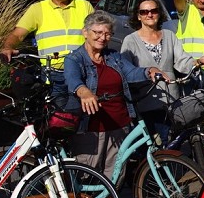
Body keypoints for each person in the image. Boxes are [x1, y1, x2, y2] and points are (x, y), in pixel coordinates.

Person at [63, 11, 163, 175]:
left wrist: (148, 71)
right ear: (85, 32)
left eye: (108, 33)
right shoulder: (74, 59)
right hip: (91, 127)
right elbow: (73, 81)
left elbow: (130, 73)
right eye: (98, 33)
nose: (103, 38)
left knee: (115, 174)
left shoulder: (113, 56)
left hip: (119, 123)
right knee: (90, 173)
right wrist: (83, 91)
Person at [0, 0, 93, 105]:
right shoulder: (38, 9)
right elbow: (17, 34)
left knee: (84, 113)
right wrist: (8, 47)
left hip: (82, 71)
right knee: (57, 116)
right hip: (53, 74)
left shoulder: (84, 6)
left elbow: (97, 33)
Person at [119, 0, 197, 136]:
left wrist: (195, 63)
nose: (149, 14)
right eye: (144, 12)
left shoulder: (169, 35)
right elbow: (126, 71)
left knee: (172, 142)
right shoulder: (130, 41)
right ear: (138, 16)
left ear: (159, 13)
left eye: (154, 11)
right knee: (152, 147)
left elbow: (181, 60)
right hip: (146, 101)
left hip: (171, 99)